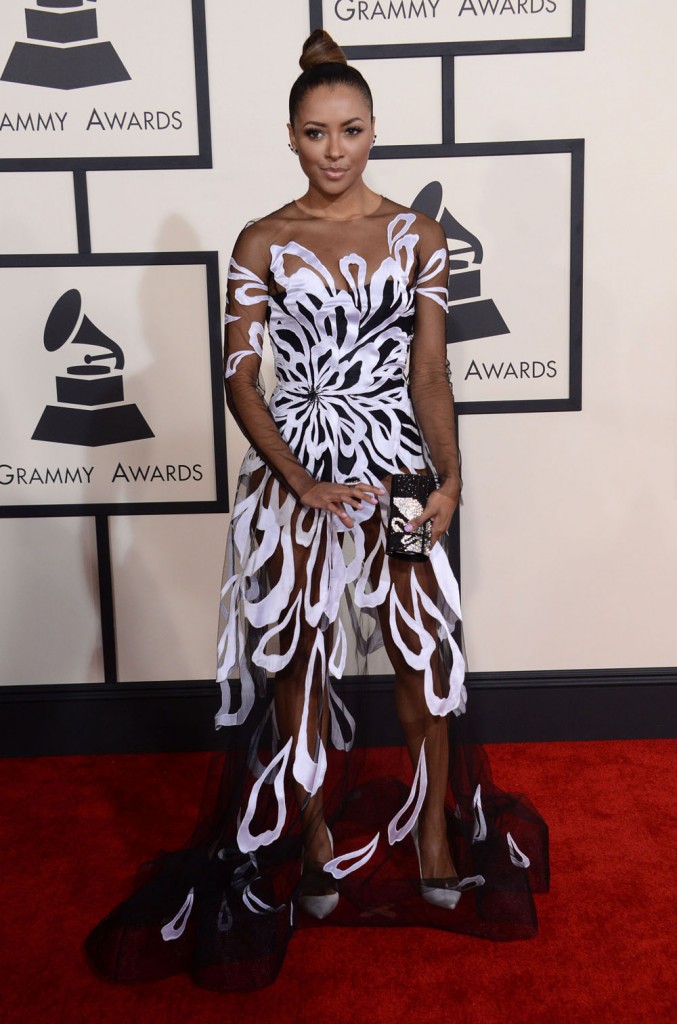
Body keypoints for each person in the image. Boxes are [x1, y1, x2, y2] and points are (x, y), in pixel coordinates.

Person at [85, 30, 549, 993]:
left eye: (350, 130)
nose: (334, 149)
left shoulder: (417, 238)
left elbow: (429, 371)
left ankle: (429, 828)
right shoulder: (261, 241)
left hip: (393, 464)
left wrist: (448, 481)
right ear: (289, 138)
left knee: (421, 652)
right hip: (297, 472)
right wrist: (299, 482)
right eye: (314, 132)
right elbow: (241, 382)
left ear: (374, 130)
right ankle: (311, 831)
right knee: (295, 655)